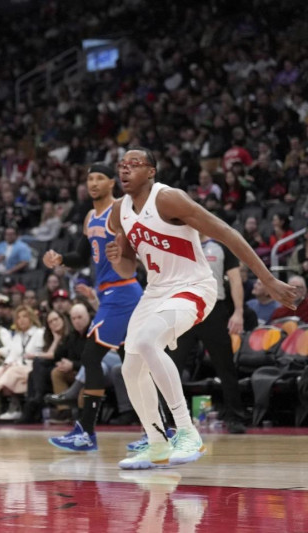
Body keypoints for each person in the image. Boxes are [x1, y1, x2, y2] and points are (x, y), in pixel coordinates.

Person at [105, 148, 297, 470]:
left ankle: (188, 432)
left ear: (151, 172)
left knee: (149, 341)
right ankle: (156, 444)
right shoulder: (118, 212)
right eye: (121, 166)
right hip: (156, 291)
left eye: (134, 165)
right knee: (130, 367)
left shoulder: (169, 199)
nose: (125, 170)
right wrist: (118, 258)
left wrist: (269, 279)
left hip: (193, 286)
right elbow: (127, 269)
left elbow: (228, 234)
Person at [43, 164, 143, 451]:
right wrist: (60, 259)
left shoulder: (120, 210)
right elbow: (82, 256)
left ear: (112, 183)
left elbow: (135, 246)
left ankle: (86, 431)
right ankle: (159, 429)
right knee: (133, 365)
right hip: (112, 294)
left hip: (122, 293)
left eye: (100, 178)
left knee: (91, 354)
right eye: (89, 178)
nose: (94, 183)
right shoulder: (90, 216)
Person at [168, 235, 248, 434]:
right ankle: (167, 418)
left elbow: (236, 280)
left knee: (225, 366)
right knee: (170, 366)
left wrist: (238, 312)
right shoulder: (177, 243)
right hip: (183, 309)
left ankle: (235, 417)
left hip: (214, 309)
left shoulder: (221, 246)